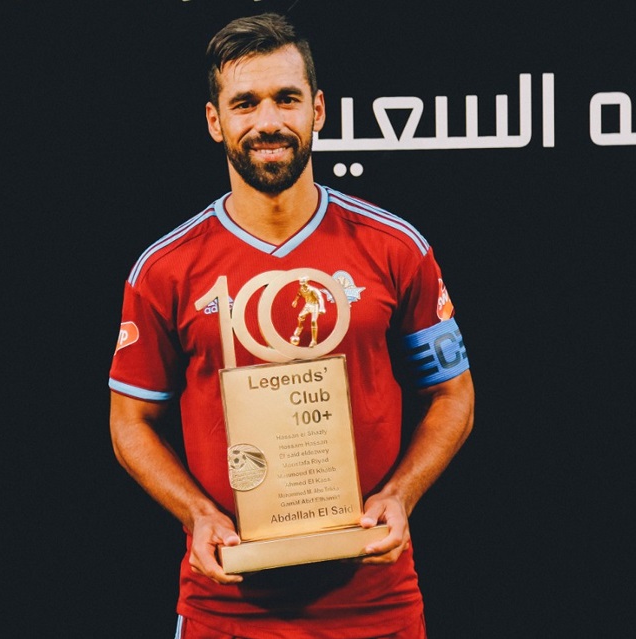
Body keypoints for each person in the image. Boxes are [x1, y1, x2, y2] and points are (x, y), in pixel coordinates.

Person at [109, 12, 474, 639]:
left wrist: (400, 496)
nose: (268, 121)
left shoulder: (395, 248)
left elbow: (453, 395)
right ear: (214, 121)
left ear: (318, 109)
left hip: (375, 602)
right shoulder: (165, 269)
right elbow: (129, 421)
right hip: (227, 606)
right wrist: (196, 515)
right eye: (244, 103)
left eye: (286, 98)